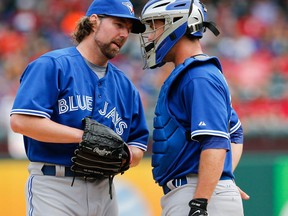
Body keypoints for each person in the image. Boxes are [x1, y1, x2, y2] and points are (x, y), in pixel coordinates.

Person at [10, 0, 149, 215]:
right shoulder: (53, 65)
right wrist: (83, 136)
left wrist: (124, 155)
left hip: (105, 190)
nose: (124, 34)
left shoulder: (126, 86)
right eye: (119, 24)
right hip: (55, 185)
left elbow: (138, 145)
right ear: (94, 21)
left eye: (128, 29)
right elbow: (21, 121)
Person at [140, 0, 249, 215]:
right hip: (196, 191)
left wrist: (202, 199)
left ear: (177, 24)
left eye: (156, 26)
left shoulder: (198, 76)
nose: (151, 36)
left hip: (195, 195)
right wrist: (215, 178)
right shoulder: (193, 74)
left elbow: (216, 142)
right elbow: (235, 133)